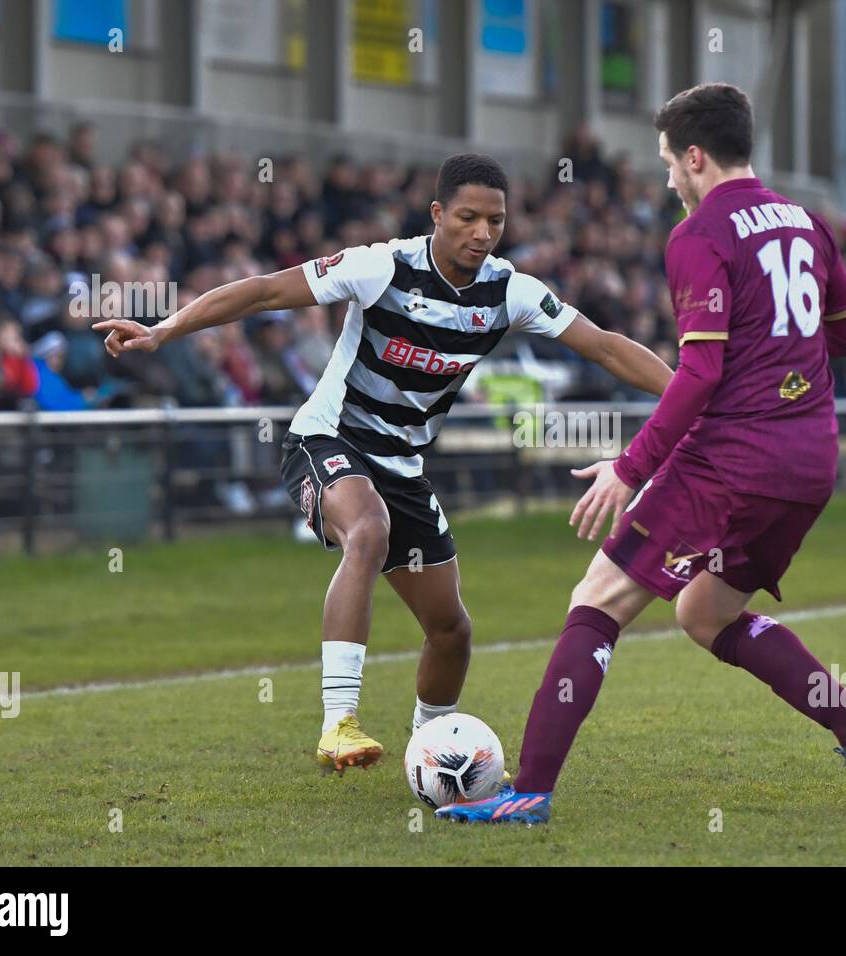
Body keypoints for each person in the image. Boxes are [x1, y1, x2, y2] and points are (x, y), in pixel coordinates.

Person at [94, 154, 673, 775]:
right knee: (367, 532)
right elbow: (264, 291)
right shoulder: (382, 266)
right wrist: (164, 330)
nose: (482, 233)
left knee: (451, 631)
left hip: (402, 468)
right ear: (437, 215)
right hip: (326, 441)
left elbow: (608, 349)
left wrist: (692, 396)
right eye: (468, 218)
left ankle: (429, 752)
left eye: (496, 222)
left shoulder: (509, 292)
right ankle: (337, 724)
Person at [436, 84, 846, 826]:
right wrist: (781, 353)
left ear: (695, 156)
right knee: (704, 613)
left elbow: (700, 375)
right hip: (811, 460)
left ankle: (528, 790)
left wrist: (629, 469)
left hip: (734, 458)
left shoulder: (699, 235)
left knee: (597, 602)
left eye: (667, 163)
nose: (665, 180)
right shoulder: (807, 222)